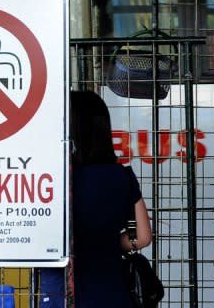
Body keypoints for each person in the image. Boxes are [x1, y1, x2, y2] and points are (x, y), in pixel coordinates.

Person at [39, 90, 152, 308]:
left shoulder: (57, 178)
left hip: (63, 292)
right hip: (113, 293)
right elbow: (144, 237)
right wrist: (108, 244)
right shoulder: (122, 176)